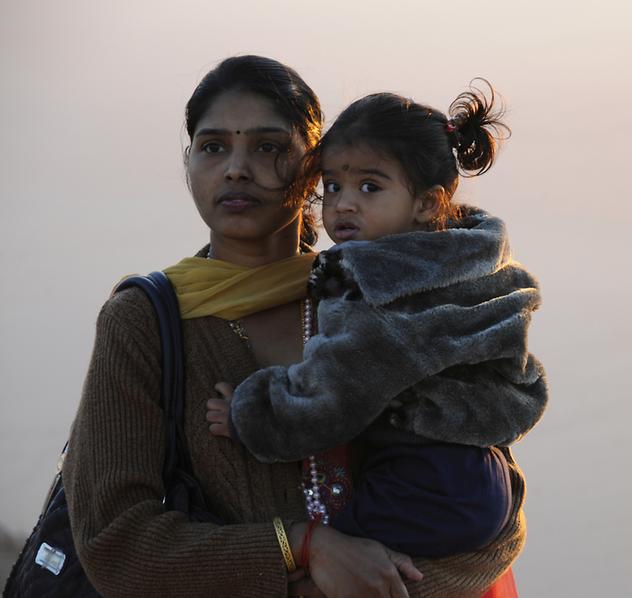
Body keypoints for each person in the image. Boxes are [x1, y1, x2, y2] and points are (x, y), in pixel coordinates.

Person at [62, 55, 524, 598]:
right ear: (188, 163)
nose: (237, 168)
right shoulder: (146, 321)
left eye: (268, 147)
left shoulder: (375, 293)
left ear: (313, 166)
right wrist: (302, 549)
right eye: (213, 147)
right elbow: (116, 542)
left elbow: (495, 509)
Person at [204, 85, 547, 573]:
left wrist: (250, 413)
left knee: (329, 563)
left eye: (370, 187)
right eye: (333, 188)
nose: (343, 205)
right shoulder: (466, 258)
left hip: (424, 481)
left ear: (428, 204)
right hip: (481, 472)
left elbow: (335, 393)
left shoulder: (384, 287)